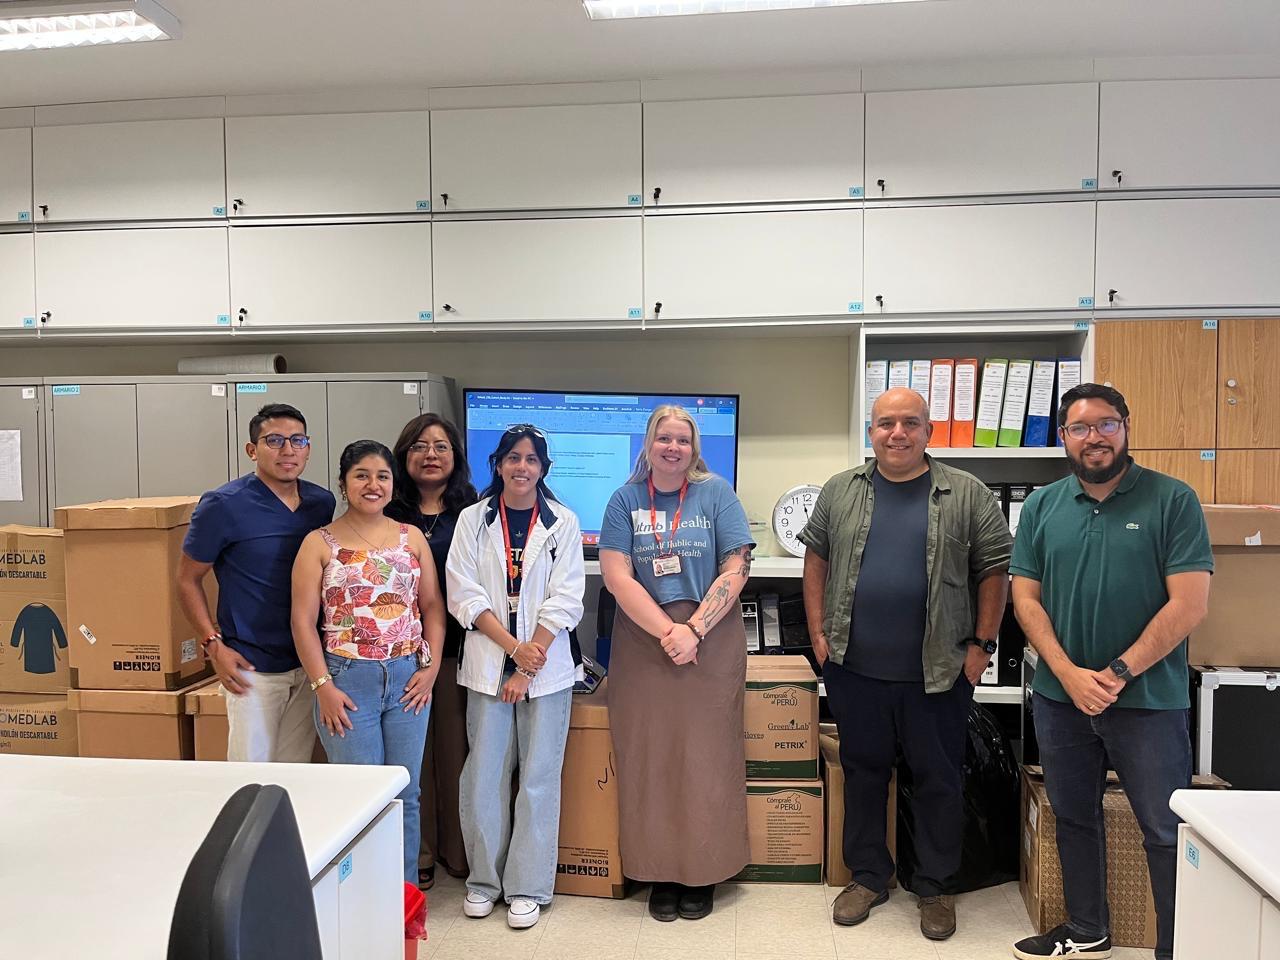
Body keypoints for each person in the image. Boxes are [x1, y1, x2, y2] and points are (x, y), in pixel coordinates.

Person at [800, 386, 1012, 941]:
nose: (898, 433)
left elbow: (994, 571)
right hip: (855, 667)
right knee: (865, 773)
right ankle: (869, 876)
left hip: (939, 670)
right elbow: (816, 559)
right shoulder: (840, 491)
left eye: (910, 423)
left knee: (938, 778)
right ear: (871, 432)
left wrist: (982, 645)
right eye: (886, 424)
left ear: (928, 432)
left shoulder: (966, 493)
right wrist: (819, 633)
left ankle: (935, 886)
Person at [1010, 383, 1212, 960]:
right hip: (1059, 698)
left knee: (1166, 831)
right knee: (1074, 817)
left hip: (1148, 701)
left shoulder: (1173, 500)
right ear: (1063, 438)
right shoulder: (1044, 505)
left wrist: (1118, 673)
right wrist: (1069, 674)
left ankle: (1178, 946)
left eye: (1105, 424)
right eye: (1079, 428)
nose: (1093, 437)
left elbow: (1190, 603)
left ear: (1125, 427)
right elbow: (1026, 599)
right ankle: (1087, 928)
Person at [599, 405, 754, 923]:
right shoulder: (624, 500)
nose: (672, 448)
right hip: (646, 642)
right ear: (648, 443)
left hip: (709, 643)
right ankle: (658, 872)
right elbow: (618, 577)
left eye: (682, 440)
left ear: (694, 448)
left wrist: (694, 629)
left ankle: (704, 871)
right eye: (663, 438)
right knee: (650, 758)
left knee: (707, 758)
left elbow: (737, 566)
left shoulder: (717, 494)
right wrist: (669, 631)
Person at [445, 424, 585, 930]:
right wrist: (512, 653)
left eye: (531, 459)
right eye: (512, 458)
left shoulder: (563, 522)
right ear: (498, 465)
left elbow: (567, 597)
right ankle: (484, 881)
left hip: (546, 672)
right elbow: (463, 594)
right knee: (483, 775)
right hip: (488, 665)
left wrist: (529, 663)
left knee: (539, 779)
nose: (521, 467)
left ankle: (526, 886)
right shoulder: (472, 520)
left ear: (543, 468)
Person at [291, 439, 446, 885]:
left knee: (405, 793)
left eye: (382, 476)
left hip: (407, 681)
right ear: (343, 483)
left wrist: (430, 668)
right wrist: (322, 687)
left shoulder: (410, 537)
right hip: (346, 682)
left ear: (393, 484)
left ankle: (403, 899)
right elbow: (302, 622)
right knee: (359, 797)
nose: (372, 484)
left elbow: (432, 607)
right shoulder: (318, 544)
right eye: (361, 475)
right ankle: (361, 899)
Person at [177, 403, 336, 763]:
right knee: (250, 776)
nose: (288, 450)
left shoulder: (320, 503)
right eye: (274, 440)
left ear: (309, 448)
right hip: (252, 667)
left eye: (298, 440)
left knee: (293, 774)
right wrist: (213, 645)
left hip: (308, 660)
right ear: (252, 450)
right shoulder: (223, 505)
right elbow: (187, 581)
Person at [388, 413, 479, 890]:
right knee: (415, 759)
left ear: (456, 457)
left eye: (441, 446)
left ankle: (458, 851)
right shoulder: (386, 511)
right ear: (404, 456)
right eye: (420, 446)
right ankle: (420, 852)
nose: (430, 455)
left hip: (464, 650)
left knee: (457, 753)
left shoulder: (476, 509)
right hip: (403, 654)